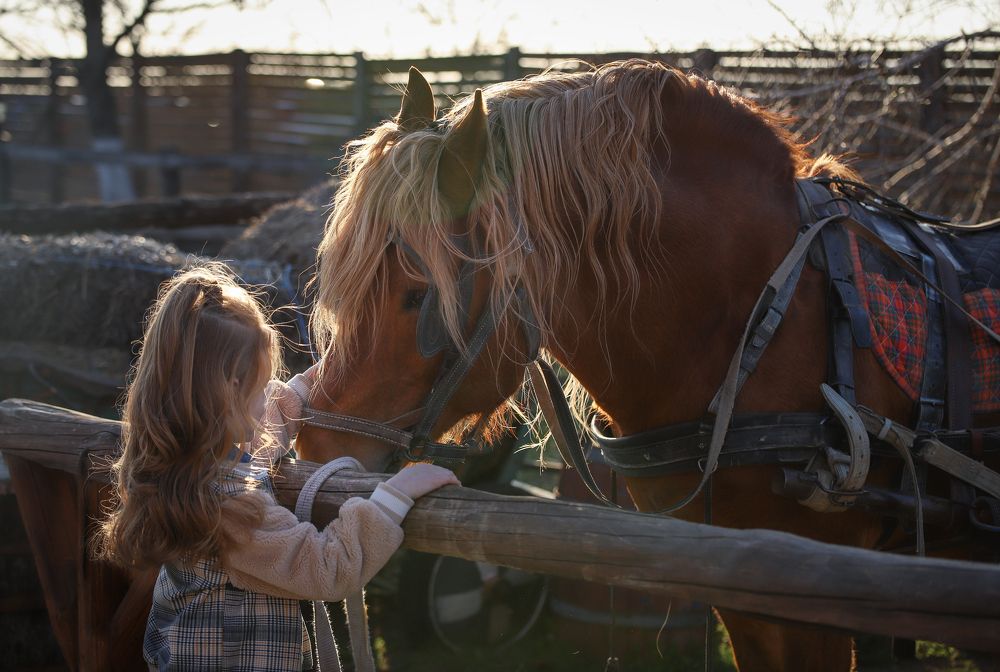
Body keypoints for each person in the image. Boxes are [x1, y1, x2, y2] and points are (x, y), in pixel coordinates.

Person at [96, 263, 459, 671]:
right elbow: (327, 567)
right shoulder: (232, 510)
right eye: (258, 390)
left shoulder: (187, 470)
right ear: (229, 393)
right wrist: (394, 495)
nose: (261, 405)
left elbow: (261, 437)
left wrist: (315, 385)